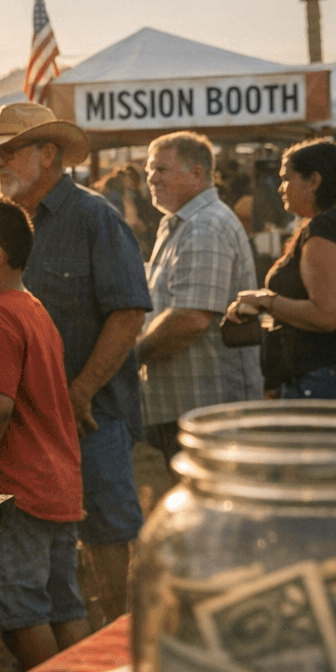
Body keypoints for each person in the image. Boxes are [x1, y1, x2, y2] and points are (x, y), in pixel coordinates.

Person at [0, 102, 149, 626]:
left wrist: (82, 389)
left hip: (91, 417)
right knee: (48, 561)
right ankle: (75, 665)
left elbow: (128, 313)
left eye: (7, 150)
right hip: (26, 426)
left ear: (48, 154)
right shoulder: (3, 223)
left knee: (107, 535)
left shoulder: (95, 217)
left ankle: (120, 650)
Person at [0, 194, 89, 672]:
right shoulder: (33, 308)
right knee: (63, 606)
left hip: (15, 490)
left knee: (21, 613)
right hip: (58, 483)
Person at [226, 140, 336, 402]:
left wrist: (265, 301)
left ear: (313, 180)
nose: (281, 188)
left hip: (332, 376)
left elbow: (327, 315)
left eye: (286, 179)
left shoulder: (328, 227)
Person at [138, 131, 262, 465]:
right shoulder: (179, 223)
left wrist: (132, 357)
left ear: (197, 174)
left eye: (162, 169)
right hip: (189, 405)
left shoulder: (204, 225)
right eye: (150, 169)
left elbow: (191, 318)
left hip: (207, 410)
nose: (151, 177)